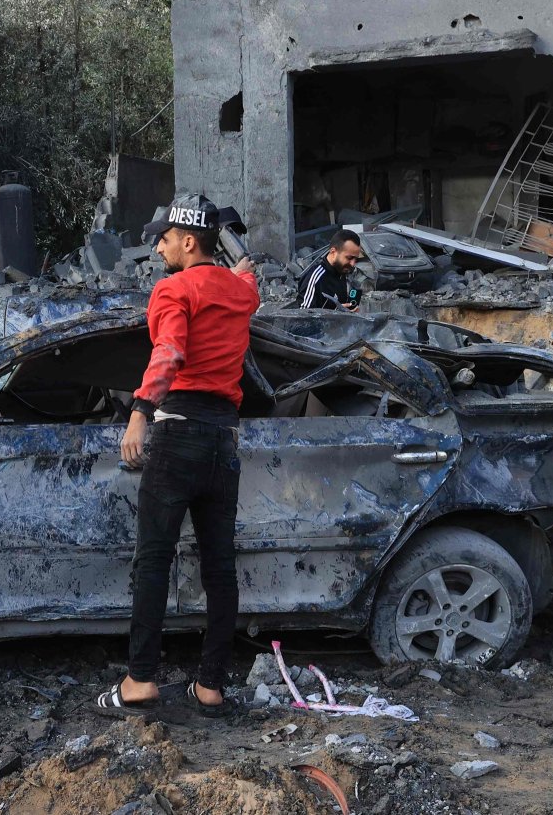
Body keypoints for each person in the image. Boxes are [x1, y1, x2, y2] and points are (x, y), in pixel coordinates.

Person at [96, 194, 259, 721]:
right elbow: (250, 289)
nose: (159, 248)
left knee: (153, 561)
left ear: (189, 241)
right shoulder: (240, 292)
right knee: (220, 568)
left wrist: (141, 409)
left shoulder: (173, 288)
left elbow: (168, 351)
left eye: (164, 238)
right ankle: (210, 687)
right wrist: (244, 273)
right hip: (223, 442)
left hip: (177, 434)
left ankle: (140, 680)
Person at [297, 229, 363, 310]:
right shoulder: (315, 277)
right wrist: (335, 314)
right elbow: (303, 316)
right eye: (349, 258)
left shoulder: (341, 273)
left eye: (355, 259)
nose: (353, 264)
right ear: (333, 252)